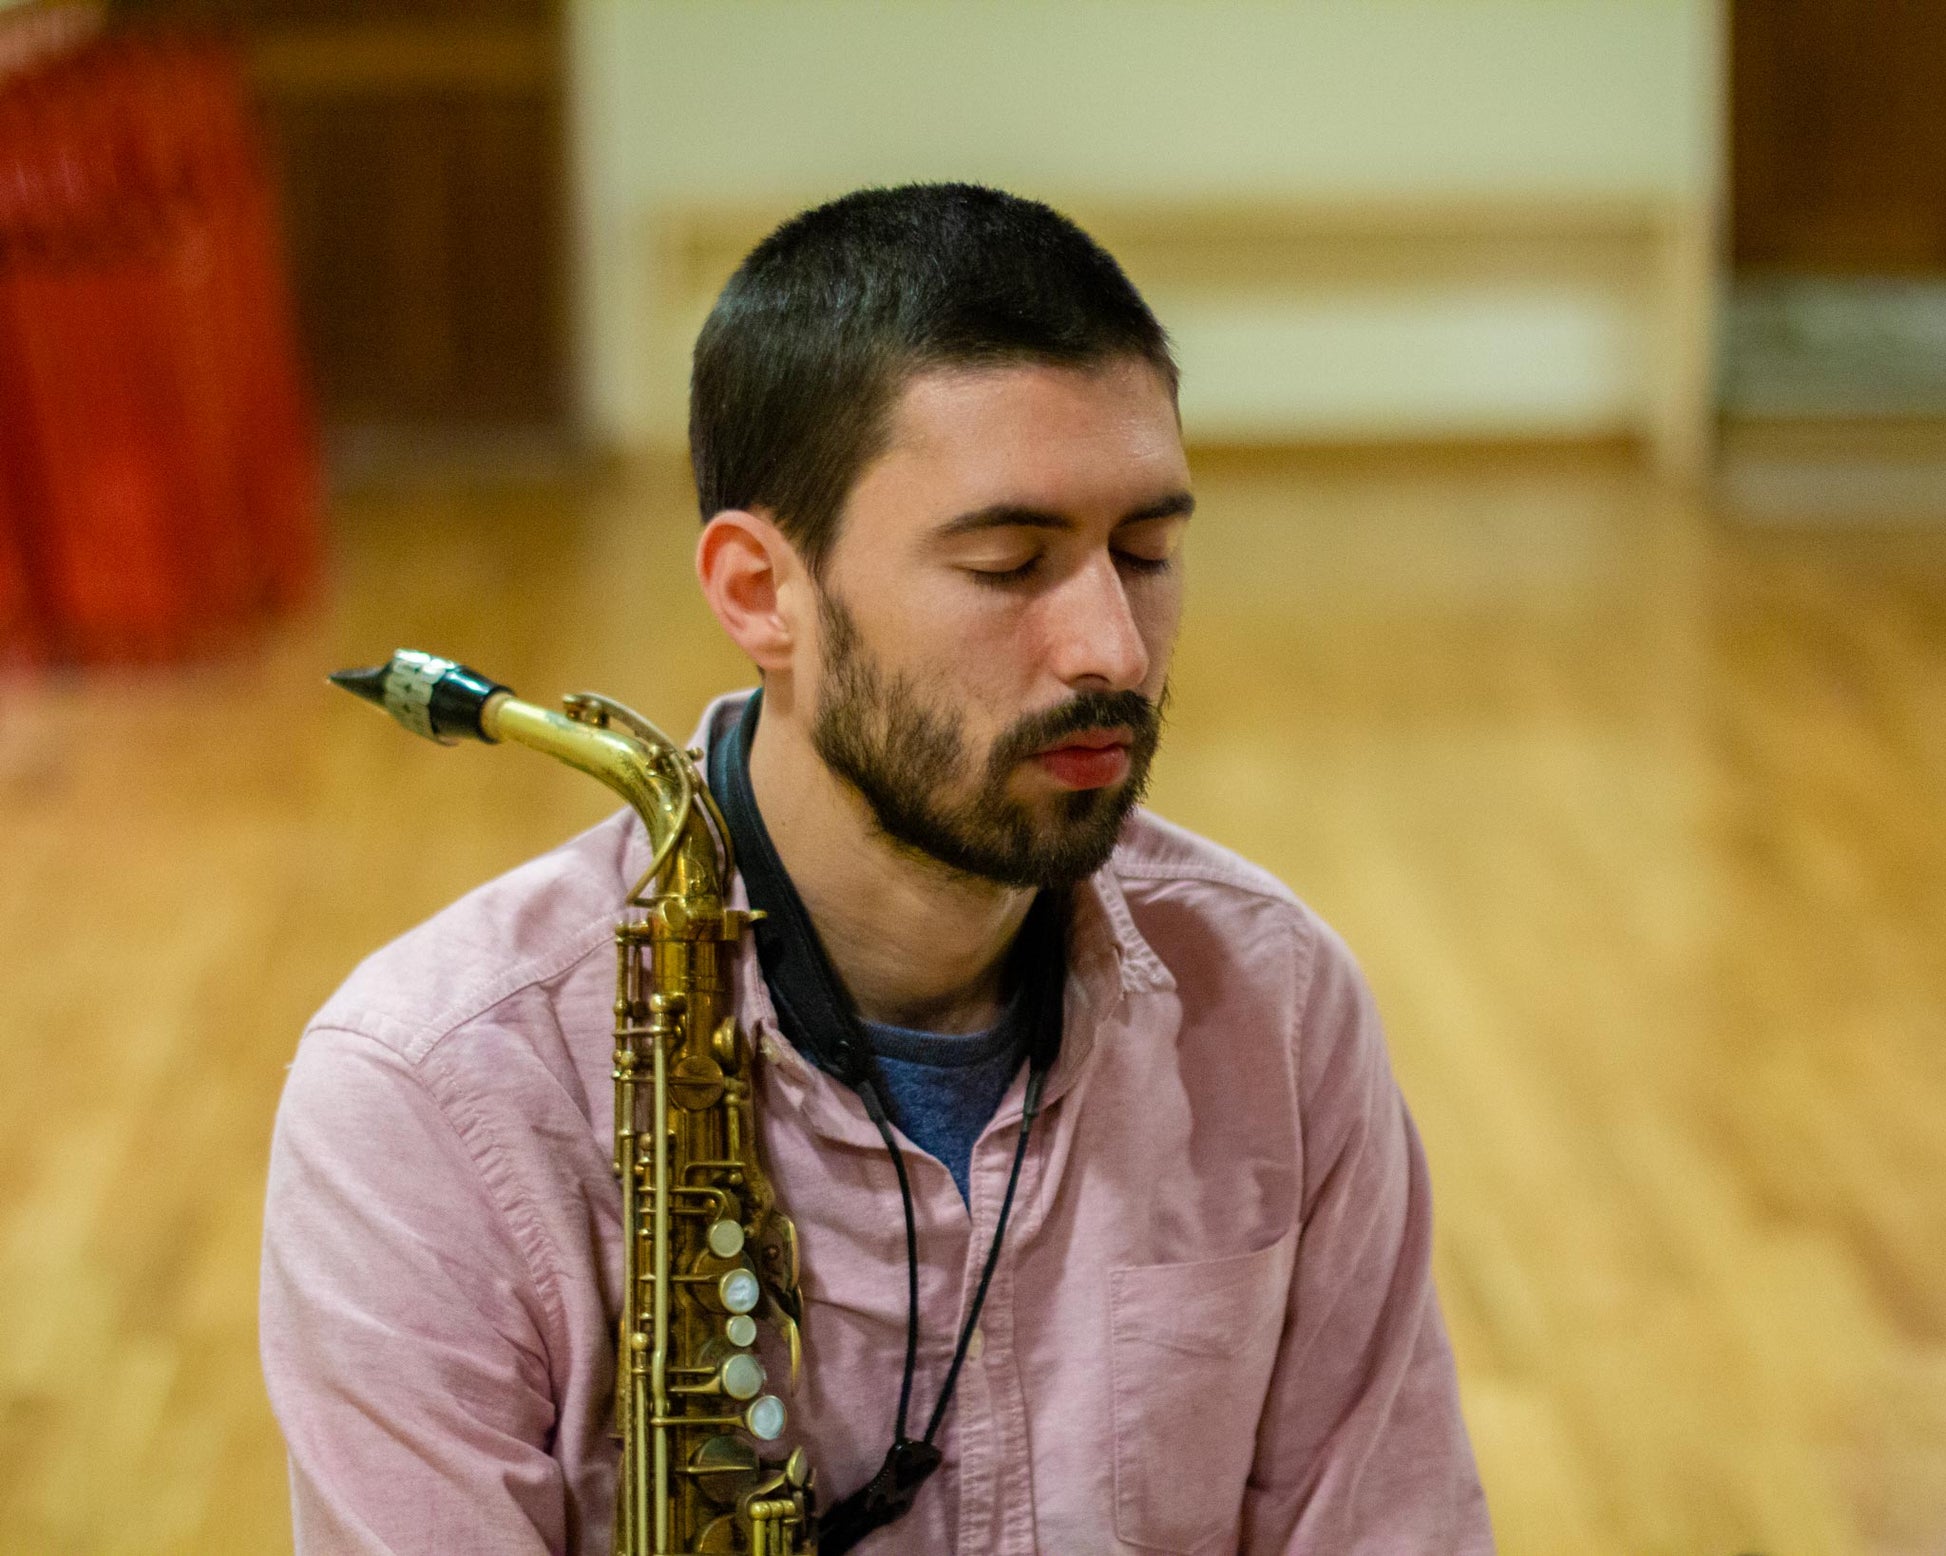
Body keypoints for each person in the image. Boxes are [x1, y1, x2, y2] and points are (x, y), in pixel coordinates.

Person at [261, 183, 1494, 1555]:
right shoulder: (427, 1096)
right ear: (756, 594)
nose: (1113, 650)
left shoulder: (1273, 1001)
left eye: (1144, 552)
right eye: (1010, 563)